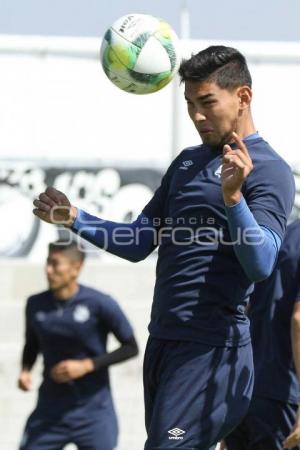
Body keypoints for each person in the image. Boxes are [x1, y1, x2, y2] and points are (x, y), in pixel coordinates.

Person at [33, 46, 295, 450]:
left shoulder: (269, 170)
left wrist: (233, 198)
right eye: (190, 104)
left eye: (207, 102)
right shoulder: (187, 163)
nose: (197, 116)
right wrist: (74, 218)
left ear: (243, 97)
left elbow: (260, 264)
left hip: (211, 351)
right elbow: (139, 241)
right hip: (164, 342)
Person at [18, 239, 138, 450]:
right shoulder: (35, 304)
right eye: (47, 263)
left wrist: (87, 365)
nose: (48, 270)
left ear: (76, 268)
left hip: (93, 412)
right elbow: (32, 343)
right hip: (50, 409)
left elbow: (131, 347)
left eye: (55, 264)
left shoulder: (100, 302)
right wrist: (25, 370)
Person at [221, 219, 300, 450]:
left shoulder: (283, 234)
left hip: (242, 389)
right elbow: (298, 320)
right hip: (283, 396)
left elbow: (242, 310)